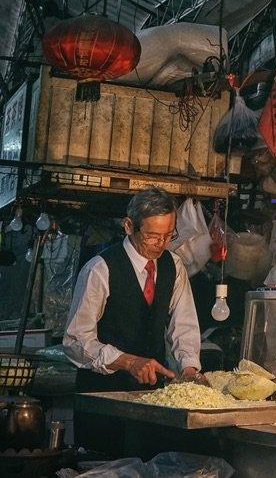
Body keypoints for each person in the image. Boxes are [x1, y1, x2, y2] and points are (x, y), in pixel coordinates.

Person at [63, 186, 202, 453]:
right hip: (102, 401)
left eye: (167, 236)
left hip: (151, 402)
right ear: (129, 226)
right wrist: (128, 362)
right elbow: (75, 340)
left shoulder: (174, 266)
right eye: (152, 236)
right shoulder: (100, 268)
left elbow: (184, 325)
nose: (160, 245)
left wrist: (189, 369)